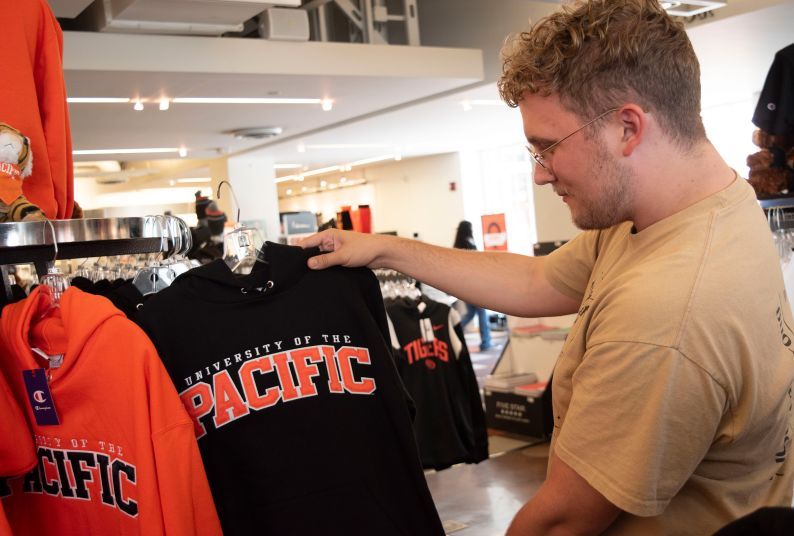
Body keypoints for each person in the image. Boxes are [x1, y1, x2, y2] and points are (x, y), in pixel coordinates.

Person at [300, 1, 794, 534]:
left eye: (547, 147)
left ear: (627, 128)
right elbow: (538, 280)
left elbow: (560, 522)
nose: (539, 176)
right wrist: (384, 248)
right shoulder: (705, 203)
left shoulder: (664, 311)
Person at [452, 220, 493, 351]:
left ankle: (453, 330)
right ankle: (486, 342)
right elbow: (476, 264)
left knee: (470, 314)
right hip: (475, 285)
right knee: (481, 314)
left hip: (465, 286)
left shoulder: (456, 246)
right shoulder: (470, 243)